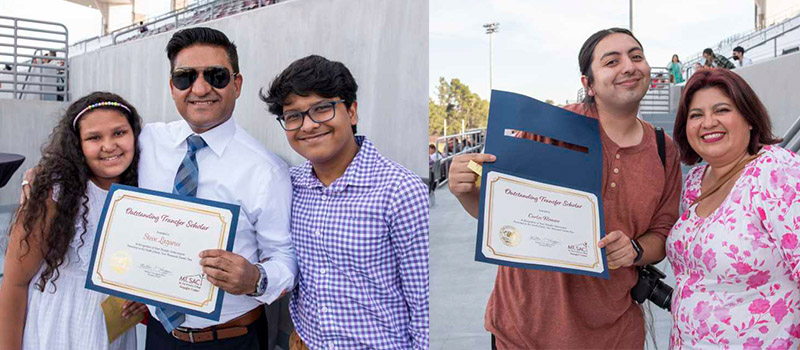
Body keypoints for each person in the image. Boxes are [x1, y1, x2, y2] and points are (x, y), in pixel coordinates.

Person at [448, 28, 682, 348]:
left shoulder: (663, 150)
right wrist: (466, 192)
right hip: (523, 331)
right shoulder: (550, 127)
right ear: (588, 84)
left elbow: (663, 233)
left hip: (614, 334)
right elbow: (501, 214)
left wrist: (635, 250)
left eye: (636, 56)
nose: (629, 66)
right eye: (611, 61)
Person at [137, 27, 297, 349]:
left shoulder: (267, 170)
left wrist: (255, 279)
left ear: (236, 84)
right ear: (172, 87)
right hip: (159, 335)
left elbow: (285, 257)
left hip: (231, 339)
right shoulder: (146, 142)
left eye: (216, 76)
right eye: (185, 77)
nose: (200, 88)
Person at [261, 55, 429, 350]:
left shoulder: (401, 191)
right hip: (304, 342)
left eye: (322, 109)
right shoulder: (288, 185)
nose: (309, 126)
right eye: (293, 116)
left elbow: (424, 304)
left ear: (352, 111)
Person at [0, 92, 148, 350]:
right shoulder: (55, 194)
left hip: (113, 331)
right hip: (57, 328)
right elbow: (15, 282)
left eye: (119, 133)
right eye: (94, 137)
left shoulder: (144, 190)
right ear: (77, 145)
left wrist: (145, 297)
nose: (109, 145)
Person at [667, 68, 798, 348]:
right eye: (696, 115)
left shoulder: (776, 172)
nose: (708, 122)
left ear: (749, 119)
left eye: (722, 110)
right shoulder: (696, 182)